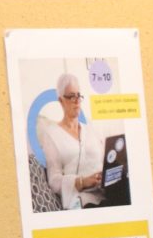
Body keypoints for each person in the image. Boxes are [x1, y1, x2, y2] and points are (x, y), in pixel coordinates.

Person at [36, 73, 104, 210]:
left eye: (79, 96)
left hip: (106, 192)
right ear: (61, 100)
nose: (77, 101)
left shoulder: (90, 129)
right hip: (84, 200)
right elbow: (54, 181)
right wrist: (82, 182)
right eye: (72, 96)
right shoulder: (51, 134)